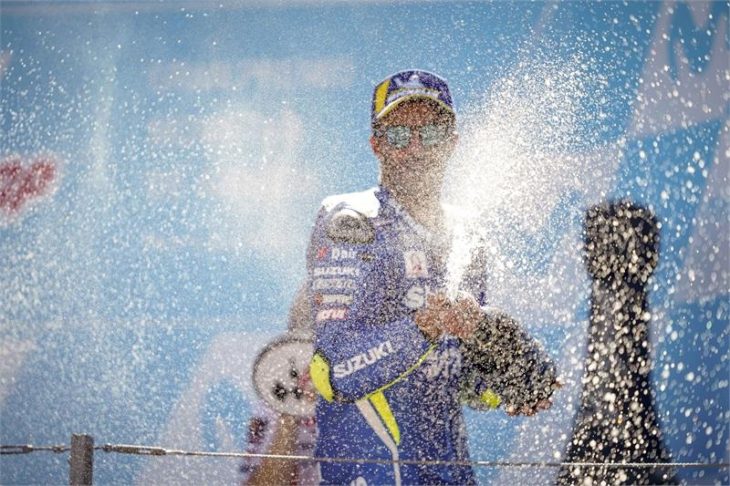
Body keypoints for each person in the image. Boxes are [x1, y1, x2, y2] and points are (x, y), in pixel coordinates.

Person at [306, 69, 560, 485]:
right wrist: (422, 327)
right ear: (376, 145)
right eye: (399, 135)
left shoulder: (467, 234)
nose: (416, 147)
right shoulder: (351, 221)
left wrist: (498, 357)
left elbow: (467, 386)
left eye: (432, 133)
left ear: (452, 143)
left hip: (450, 473)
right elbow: (333, 372)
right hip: (373, 474)